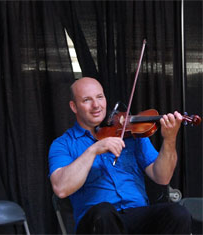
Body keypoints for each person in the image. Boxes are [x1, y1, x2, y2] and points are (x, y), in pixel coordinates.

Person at [48, 77, 192, 234]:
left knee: (178, 213)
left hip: (136, 215)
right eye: (87, 100)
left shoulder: (131, 133)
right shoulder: (63, 144)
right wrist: (93, 150)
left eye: (99, 97)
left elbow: (162, 177)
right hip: (96, 222)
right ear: (74, 107)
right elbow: (61, 188)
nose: (96, 105)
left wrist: (169, 139)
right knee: (104, 212)